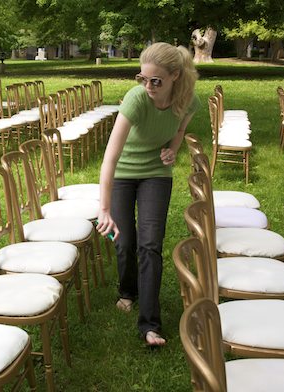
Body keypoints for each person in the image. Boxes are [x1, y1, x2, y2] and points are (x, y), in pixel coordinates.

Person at [96, 42, 200, 347]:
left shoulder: (187, 102)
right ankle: (128, 291)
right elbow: (110, 159)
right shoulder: (136, 100)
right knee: (124, 241)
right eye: (143, 79)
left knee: (150, 245)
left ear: (175, 77)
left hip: (156, 174)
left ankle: (150, 325)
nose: (149, 86)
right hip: (124, 174)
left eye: (156, 81)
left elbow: (179, 130)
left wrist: (172, 150)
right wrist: (104, 209)